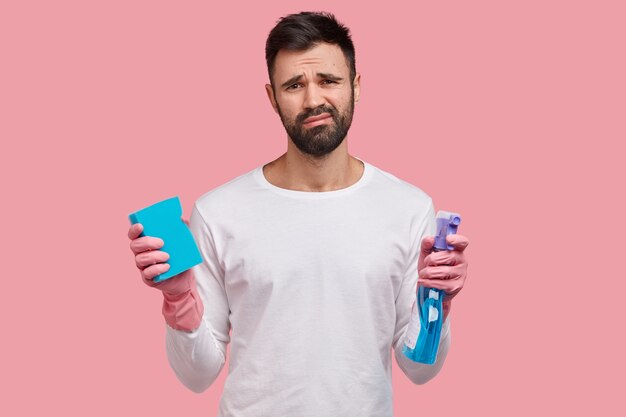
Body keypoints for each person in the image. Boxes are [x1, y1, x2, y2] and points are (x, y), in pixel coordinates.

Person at [127, 11, 469, 417]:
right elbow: (197, 375)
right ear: (272, 98)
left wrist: (437, 303)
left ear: (356, 87)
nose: (313, 100)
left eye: (329, 80)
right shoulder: (219, 212)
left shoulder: (409, 208)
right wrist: (179, 296)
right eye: (294, 85)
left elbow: (419, 369)